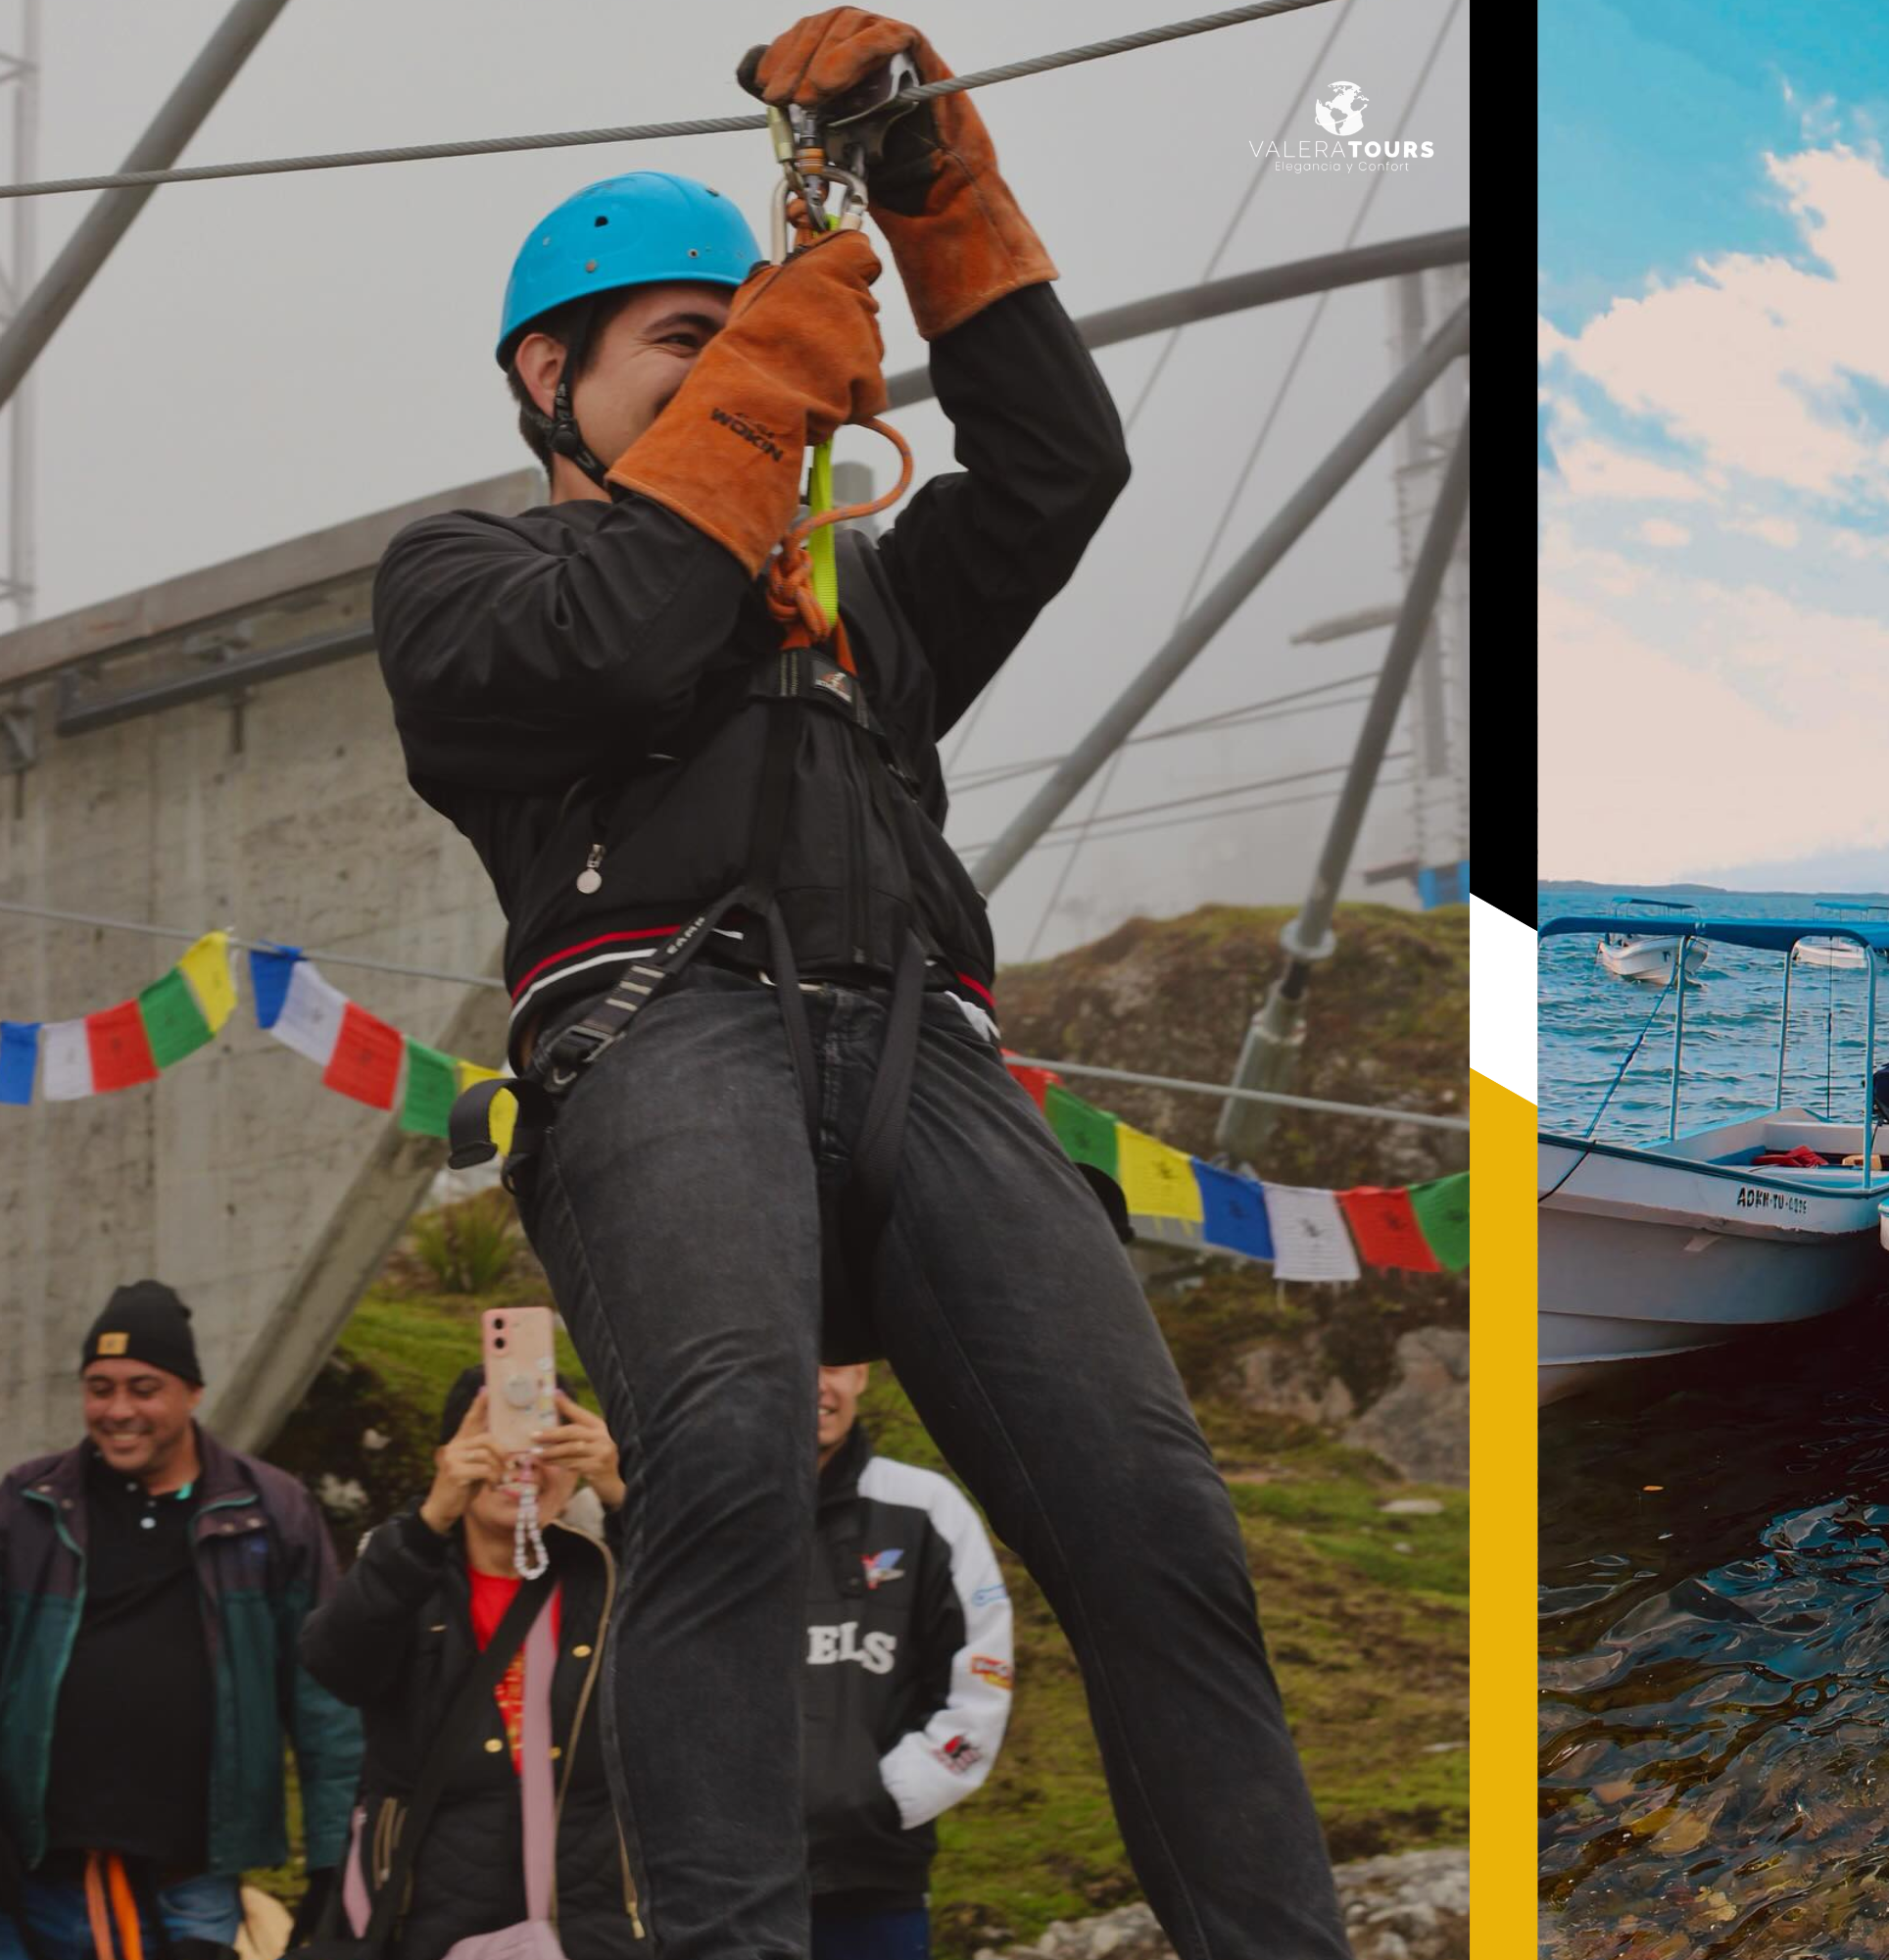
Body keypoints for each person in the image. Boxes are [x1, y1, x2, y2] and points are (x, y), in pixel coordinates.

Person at [366, 14, 1349, 1956]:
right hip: (662, 1035)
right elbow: (629, 627)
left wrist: (937, 192)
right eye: (688, 347)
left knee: (1158, 1529)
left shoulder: (860, 617)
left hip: (924, 1052)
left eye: (759, 343)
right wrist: (770, 385)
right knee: (724, 1455)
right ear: (544, 380)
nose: (748, 378)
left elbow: (1064, 463)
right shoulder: (460, 582)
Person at [0, 1283, 363, 1958]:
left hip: (192, 1878)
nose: (117, 1410)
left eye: (143, 1388)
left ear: (193, 1392)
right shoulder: (26, 1505)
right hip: (33, 1879)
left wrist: (333, 1862)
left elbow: (326, 1699)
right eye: (98, 1388)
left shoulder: (272, 1510)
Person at [301, 1369, 635, 1959]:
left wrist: (624, 1495)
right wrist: (428, 1522)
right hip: (426, 1927)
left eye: (546, 1444)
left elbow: (705, 1637)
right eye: (496, 1441)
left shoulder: (608, 1580)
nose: (522, 1463)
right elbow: (336, 1664)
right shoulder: (406, 1575)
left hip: (591, 1931)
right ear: (448, 1459)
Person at [801, 1362, 1013, 1960]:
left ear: (862, 1376)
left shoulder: (927, 1507)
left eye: (836, 1365)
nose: (821, 1383)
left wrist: (886, 1796)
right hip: (732, 1886)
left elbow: (980, 1680)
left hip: (875, 1883)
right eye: (803, 1358)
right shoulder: (716, 1509)